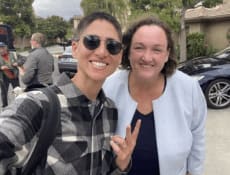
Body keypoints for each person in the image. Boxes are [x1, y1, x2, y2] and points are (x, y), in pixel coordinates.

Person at [0, 12, 141, 175]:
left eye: (113, 46)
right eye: (92, 42)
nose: (102, 52)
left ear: (120, 55)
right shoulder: (37, 104)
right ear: (75, 48)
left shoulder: (110, 111)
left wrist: (121, 165)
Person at [103, 16, 207, 175]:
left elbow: (197, 140)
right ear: (128, 51)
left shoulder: (188, 88)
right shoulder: (108, 87)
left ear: (167, 54)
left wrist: (193, 172)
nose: (147, 57)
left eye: (157, 49)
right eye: (139, 47)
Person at [0, 42, 20, 108]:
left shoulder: (13, 54)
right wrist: (1, 67)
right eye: (0, 48)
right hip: (4, 77)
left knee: (18, 91)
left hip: (14, 76)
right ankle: (5, 106)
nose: (2, 50)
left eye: (3, 48)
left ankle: (19, 104)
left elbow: (24, 59)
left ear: (6, 47)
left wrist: (17, 63)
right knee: (4, 92)